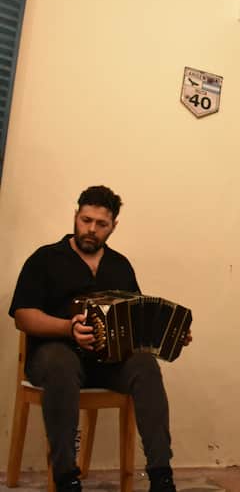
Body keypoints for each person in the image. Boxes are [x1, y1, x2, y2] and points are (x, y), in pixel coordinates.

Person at [8, 185, 191, 492]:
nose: (91, 229)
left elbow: (137, 320)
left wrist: (170, 334)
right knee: (60, 363)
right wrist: (68, 328)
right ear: (76, 216)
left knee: (145, 364)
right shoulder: (45, 258)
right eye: (86, 220)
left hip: (108, 363)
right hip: (54, 357)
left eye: (101, 224)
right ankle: (66, 477)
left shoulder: (120, 265)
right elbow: (23, 315)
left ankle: (161, 475)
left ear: (113, 226)